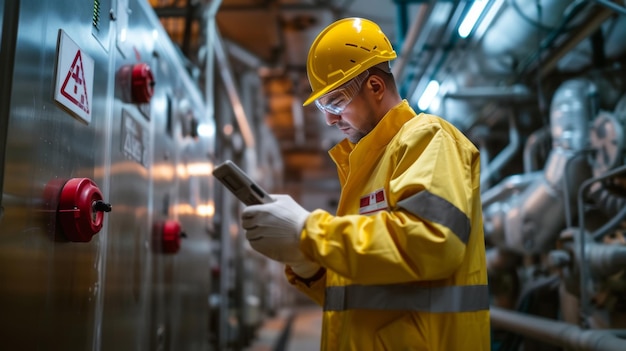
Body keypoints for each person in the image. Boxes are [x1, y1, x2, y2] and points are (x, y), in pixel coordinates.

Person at [241, 17, 490, 350]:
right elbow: (360, 289)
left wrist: (310, 230)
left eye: (336, 102)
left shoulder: (428, 137)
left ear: (375, 87)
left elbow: (431, 242)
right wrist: (308, 265)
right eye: (322, 106)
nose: (329, 118)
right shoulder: (368, 165)